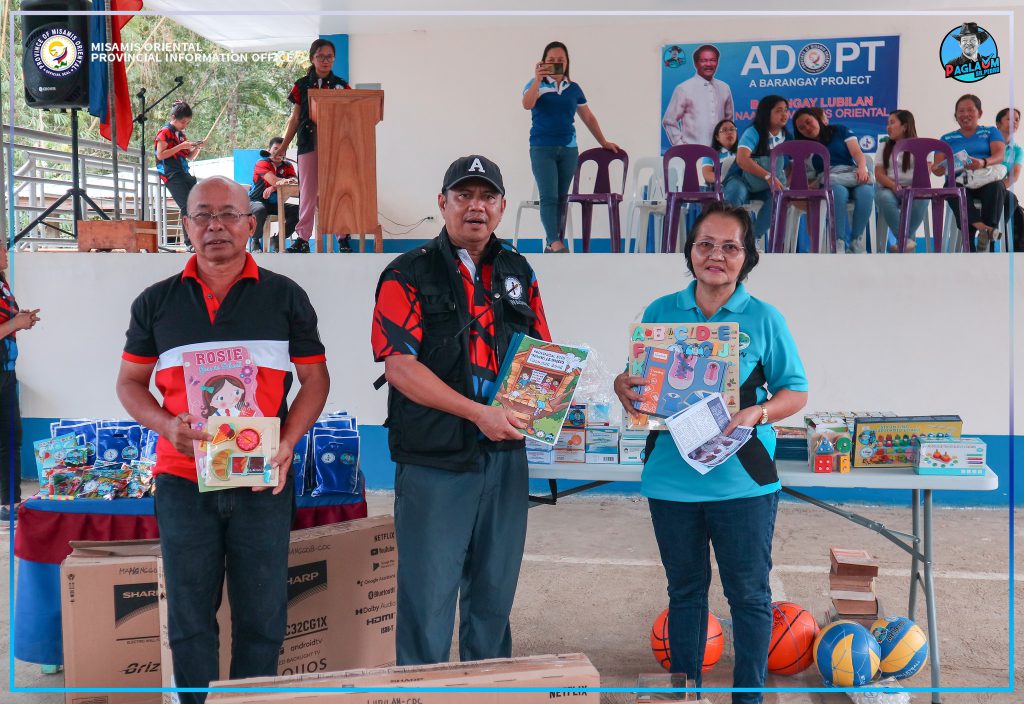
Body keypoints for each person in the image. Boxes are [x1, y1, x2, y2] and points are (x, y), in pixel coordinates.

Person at [115, 176, 329, 704]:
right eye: (203, 215)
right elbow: (129, 383)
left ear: (251, 224)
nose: (216, 226)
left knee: (263, 616)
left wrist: (288, 445)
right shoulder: (156, 304)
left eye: (229, 215)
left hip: (263, 480)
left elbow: (316, 380)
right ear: (185, 226)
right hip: (183, 481)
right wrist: (167, 426)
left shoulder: (284, 297)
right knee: (189, 616)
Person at [613, 200, 807, 704]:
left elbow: (795, 390)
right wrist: (621, 384)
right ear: (690, 250)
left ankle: (748, 698)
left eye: (729, 246)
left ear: (747, 257)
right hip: (671, 478)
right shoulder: (659, 311)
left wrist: (756, 413)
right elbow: (639, 383)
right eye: (705, 244)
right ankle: (685, 695)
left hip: (741, 480)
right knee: (685, 593)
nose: (715, 255)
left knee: (749, 595)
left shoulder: (764, 319)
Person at [371, 155, 551, 665]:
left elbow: (541, 352)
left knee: (493, 597)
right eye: (463, 195)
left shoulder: (519, 270)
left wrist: (558, 400)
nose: (476, 206)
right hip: (434, 460)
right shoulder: (406, 272)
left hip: (504, 457)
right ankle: (419, 697)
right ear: (442, 204)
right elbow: (401, 367)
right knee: (427, 601)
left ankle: (487, 693)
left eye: (487, 197)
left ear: (500, 207)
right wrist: (478, 414)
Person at [522, 41, 620, 253]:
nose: (556, 64)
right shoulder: (535, 84)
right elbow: (527, 104)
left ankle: (553, 243)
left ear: (567, 63)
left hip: (568, 149)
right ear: (543, 62)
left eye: (560, 60)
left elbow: (588, 117)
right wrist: (538, 80)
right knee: (548, 196)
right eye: (551, 61)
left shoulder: (573, 88)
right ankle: (554, 241)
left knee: (561, 197)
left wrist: (604, 142)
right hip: (542, 148)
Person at [279, 38, 353, 254]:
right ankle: (302, 238)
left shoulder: (341, 85)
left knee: (338, 191)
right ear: (312, 58)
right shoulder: (301, 85)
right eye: (320, 56)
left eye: (329, 56)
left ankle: (343, 238)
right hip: (308, 143)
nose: (325, 60)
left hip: (336, 145)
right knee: (308, 192)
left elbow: (351, 115)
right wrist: (284, 145)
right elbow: (294, 119)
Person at [793, 108, 873, 253]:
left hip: (852, 174)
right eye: (801, 128)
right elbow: (807, 174)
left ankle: (856, 241)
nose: (807, 128)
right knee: (838, 193)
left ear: (817, 119)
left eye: (809, 122)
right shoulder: (805, 147)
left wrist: (862, 167)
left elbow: (857, 153)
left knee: (867, 192)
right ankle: (838, 242)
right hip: (830, 179)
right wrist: (810, 185)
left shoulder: (840, 130)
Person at [932, 94, 1007, 252]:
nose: (965, 114)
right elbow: (938, 168)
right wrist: (937, 169)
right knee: (952, 189)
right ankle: (981, 232)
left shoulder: (990, 132)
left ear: (979, 113)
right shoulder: (946, 138)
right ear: (956, 115)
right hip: (960, 180)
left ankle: (987, 243)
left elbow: (999, 155)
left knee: (998, 188)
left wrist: (982, 162)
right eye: (961, 111)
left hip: (986, 179)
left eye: (970, 110)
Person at [0, 247, 40, 524]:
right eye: (0, 249)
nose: (5, 253)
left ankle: (10, 502)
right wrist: (15, 322)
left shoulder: (3, 284)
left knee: (12, 437)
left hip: (6, 370)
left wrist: (21, 320)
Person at [723, 95, 790, 244]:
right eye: (779, 110)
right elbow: (742, 159)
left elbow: (791, 165)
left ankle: (750, 240)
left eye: (786, 110)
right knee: (735, 192)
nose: (784, 114)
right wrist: (768, 177)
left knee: (780, 198)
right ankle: (727, 238)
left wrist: (785, 183)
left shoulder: (787, 136)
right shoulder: (753, 132)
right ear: (767, 113)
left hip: (767, 187)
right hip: (742, 179)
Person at [874, 110, 928, 253]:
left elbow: (926, 171)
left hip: (913, 188)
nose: (888, 127)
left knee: (923, 198)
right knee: (884, 197)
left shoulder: (920, 145)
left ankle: (902, 242)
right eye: (887, 123)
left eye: (892, 123)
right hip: (889, 188)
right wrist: (893, 185)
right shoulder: (884, 146)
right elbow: (879, 174)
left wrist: (914, 186)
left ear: (904, 126)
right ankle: (906, 241)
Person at [662, 44, 734, 149]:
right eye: (704, 60)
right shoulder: (684, 88)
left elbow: (729, 121)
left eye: (713, 60)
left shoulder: (724, 88)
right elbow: (669, 121)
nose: (709, 64)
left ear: (717, 62)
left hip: (720, 153)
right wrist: (681, 147)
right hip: (692, 153)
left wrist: (725, 145)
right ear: (696, 63)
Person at [154, 99, 202, 250]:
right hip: (171, 173)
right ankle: (189, 243)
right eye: (183, 122)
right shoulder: (165, 132)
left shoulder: (181, 135)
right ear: (173, 118)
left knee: (196, 205)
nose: (185, 126)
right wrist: (181, 146)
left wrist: (197, 148)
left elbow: (189, 156)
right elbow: (161, 155)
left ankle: (196, 239)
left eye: (187, 123)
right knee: (186, 206)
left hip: (184, 172)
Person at [249, 137, 299, 252]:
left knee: (299, 211)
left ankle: (277, 239)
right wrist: (277, 184)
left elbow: (294, 181)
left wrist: (273, 187)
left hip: (276, 204)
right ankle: (255, 242)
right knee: (259, 210)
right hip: (256, 201)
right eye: (275, 149)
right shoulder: (261, 163)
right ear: (269, 150)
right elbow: (274, 180)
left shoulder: (288, 166)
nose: (278, 153)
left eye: (281, 150)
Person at [996, 107, 1022, 251]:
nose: (1014, 122)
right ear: (998, 124)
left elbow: (1014, 175)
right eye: (1009, 119)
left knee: (1012, 200)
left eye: (1017, 120)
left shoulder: (1017, 150)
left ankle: (991, 234)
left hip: (1000, 187)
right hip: (979, 185)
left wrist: (999, 188)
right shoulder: (987, 143)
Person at [701, 118, 738, 185]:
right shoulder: (710, 154)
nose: (729, 132)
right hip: (718, 189)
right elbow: (707, 174)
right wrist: (723, 179)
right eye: (724, 130)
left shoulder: (742, 153)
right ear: (717, 137)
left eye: (732, 129)